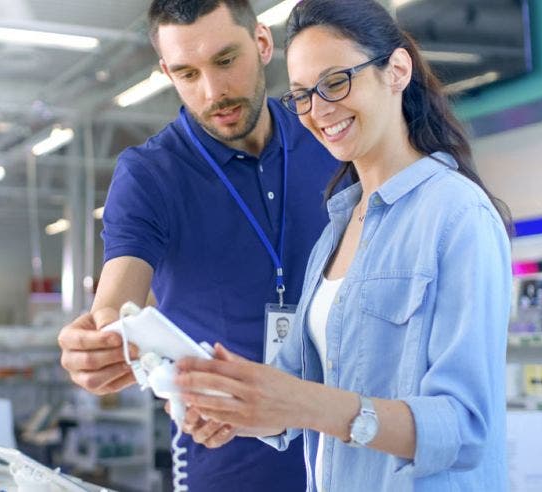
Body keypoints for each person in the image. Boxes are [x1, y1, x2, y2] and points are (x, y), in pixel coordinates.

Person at [174, 0, 513, 490]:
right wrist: (236, 403)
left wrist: (306, 403)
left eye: (335, 82)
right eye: (302, 96)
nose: (318, 111)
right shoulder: (334, 231)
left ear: (396, 70)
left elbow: (463, 428)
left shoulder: (458, 215)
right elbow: (295, 397)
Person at [56, 1, 342, 490]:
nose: (213, 92)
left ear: (262, 43)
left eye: (226, 61)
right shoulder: (150, 175)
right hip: (222, 453)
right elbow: (116, 305)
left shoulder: (326, 135)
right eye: (187, 73)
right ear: (166, 72)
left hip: (346, 439)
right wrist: (103, 342)